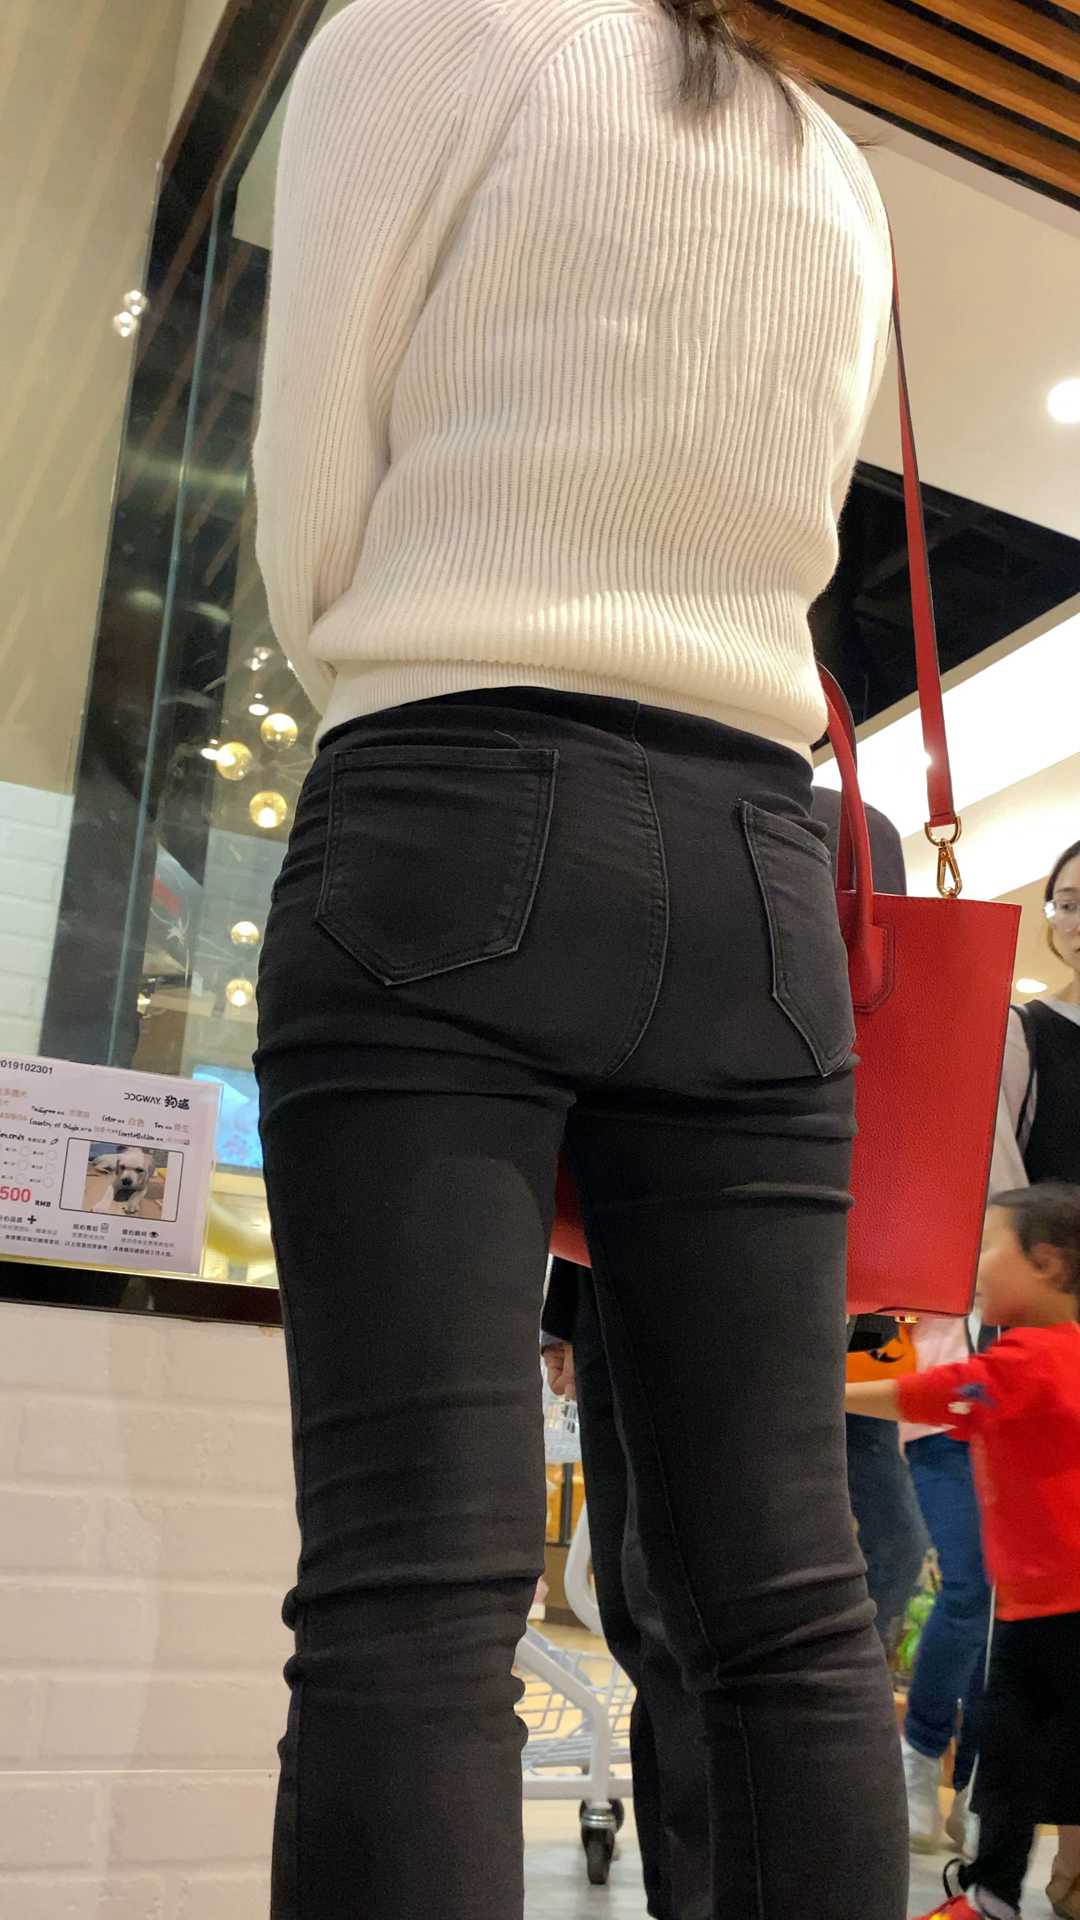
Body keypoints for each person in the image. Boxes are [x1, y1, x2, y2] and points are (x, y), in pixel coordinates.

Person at [252, 1, 906, 1914]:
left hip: (453, 789)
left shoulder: (428, 28)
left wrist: (390, 687)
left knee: (413, 1596)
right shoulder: (825, 153)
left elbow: (317, 486)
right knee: (787, 1609)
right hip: (760, 860)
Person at [540, 788, 924, 1920]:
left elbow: (882, 1064)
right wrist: (561, 1310)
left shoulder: (842, 822)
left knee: (789, 1602)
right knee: (649, 1602)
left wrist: (882, 1315)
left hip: (810, 1255)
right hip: (619, 1254)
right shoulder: (601, 775)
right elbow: (571, 1077)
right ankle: (694, 1889)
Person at [846, 1185, 1080, 1920]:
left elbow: (933, 1391)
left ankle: (990, 1891)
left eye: (989, 1247)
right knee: (1014, 1753)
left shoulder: (1027, 1359)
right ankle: (988, 1890)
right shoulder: (1045, 1353)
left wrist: (823, 1389)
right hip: (1034, 1606)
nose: (973, 1264)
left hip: (1054, 1613)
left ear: (1046, 1263)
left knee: (1015, 1757)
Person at [897, 1312, 992, 1856]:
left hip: (1038, 1406)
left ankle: (977, 1781)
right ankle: (921, 1751)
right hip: (944, 1412)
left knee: (1004, 1609)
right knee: (969, 1589)